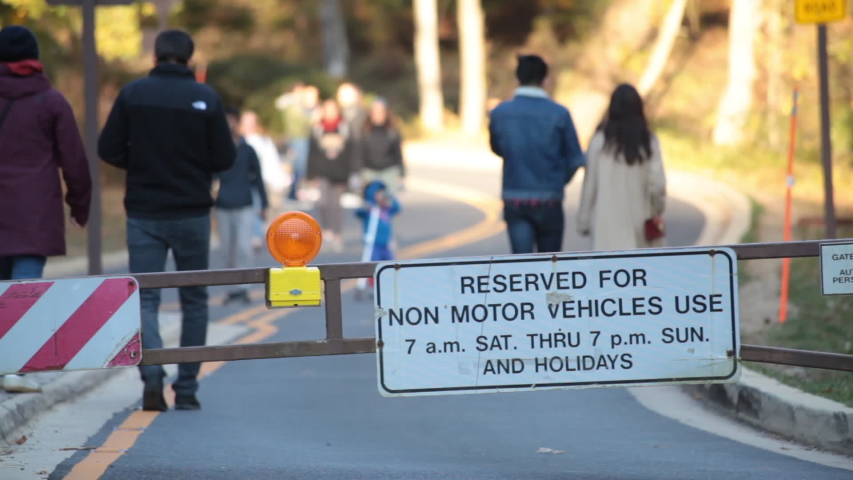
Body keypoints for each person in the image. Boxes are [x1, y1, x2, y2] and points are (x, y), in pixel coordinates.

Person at [98, 29, 236, 412]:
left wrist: (141, 165)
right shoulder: (206, 98)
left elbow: (107, 148)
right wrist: (194, 169)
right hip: (191, 212)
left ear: (155, 57)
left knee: (145, 297)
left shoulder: (133, 94)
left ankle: (153, 377)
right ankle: (188, 387)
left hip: (143, 211)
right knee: (194, 300)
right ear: (189, 59)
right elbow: (225, 158)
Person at [0, 25, 92, 394]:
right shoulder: (51, 101)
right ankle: (15, 368)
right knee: (24, 288)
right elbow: (75, 161)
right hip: (33, 211)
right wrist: (79, 206)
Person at [488, 54, 585, 254]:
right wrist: (558, 179)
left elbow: (498, 148)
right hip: (550, 199)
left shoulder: (500, 113)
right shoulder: (560, 113)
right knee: (549, 267)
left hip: (515, 198)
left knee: (522, 267)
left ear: (517, 80)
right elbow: (576, 159)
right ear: (545, 81)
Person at [577, 83, 667, 251]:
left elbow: (590, 185)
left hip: (605, 228)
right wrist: (656, 211)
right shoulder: (648, 142)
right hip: (640, 227)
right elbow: (657, 184)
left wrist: (584, 219)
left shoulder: (599, 142)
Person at [217, 108, 268, 304]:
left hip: (245, 203)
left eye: (232, 121)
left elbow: (257, 177)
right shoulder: (217, 148)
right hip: (222, 205)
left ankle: (244, 287)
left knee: (244, 248)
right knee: (227, 249)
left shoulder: (247, 149)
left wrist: (264, 202)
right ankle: (231, 288)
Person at [306, 99, 356, 253]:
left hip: (340, 171)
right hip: (323, 171)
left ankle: (337, 233)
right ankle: (327, 231)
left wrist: (352, 171)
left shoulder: (344, 128)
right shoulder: (318, 129)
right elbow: (312, 153)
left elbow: (351, 151)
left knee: (336, 204)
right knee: (323, 202)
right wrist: (311, 174)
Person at [240, 110, 286, 250]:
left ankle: (255, 235)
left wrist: (278, 181)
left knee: (257, 207)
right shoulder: (236, 141)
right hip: (241, 182)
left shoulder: (264, 142)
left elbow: (272, 162)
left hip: (260, 180)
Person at [354, 180, 400, 300]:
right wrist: (367, 206)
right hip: (373, 243)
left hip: (386, 243)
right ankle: (372, 286)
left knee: (390, 263)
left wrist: (390, 198)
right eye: (378, 193)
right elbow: (358, 213)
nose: (381, 196)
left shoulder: (387, 208)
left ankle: (390, 286)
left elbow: (397, 207)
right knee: (372, 265)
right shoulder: (370, 209)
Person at [359, 98, 405, 193]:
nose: (378, 115)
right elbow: (360, 154)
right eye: (375, 112)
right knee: (370, 200)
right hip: (369, 170)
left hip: (389, 170)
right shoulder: (365, 131)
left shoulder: (392, 132)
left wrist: (402, 174)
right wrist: (359, 173)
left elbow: (398, 154)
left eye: (381, 112)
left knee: (389, 201)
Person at [277, 82, 313, 202]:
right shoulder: (293, 106)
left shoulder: (294, 105)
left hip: (298, 138)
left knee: (298, 167)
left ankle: (294, 192)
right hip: (298, 138)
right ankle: (293, 192)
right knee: (298, 167)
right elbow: (302, 122)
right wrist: (312, 118)